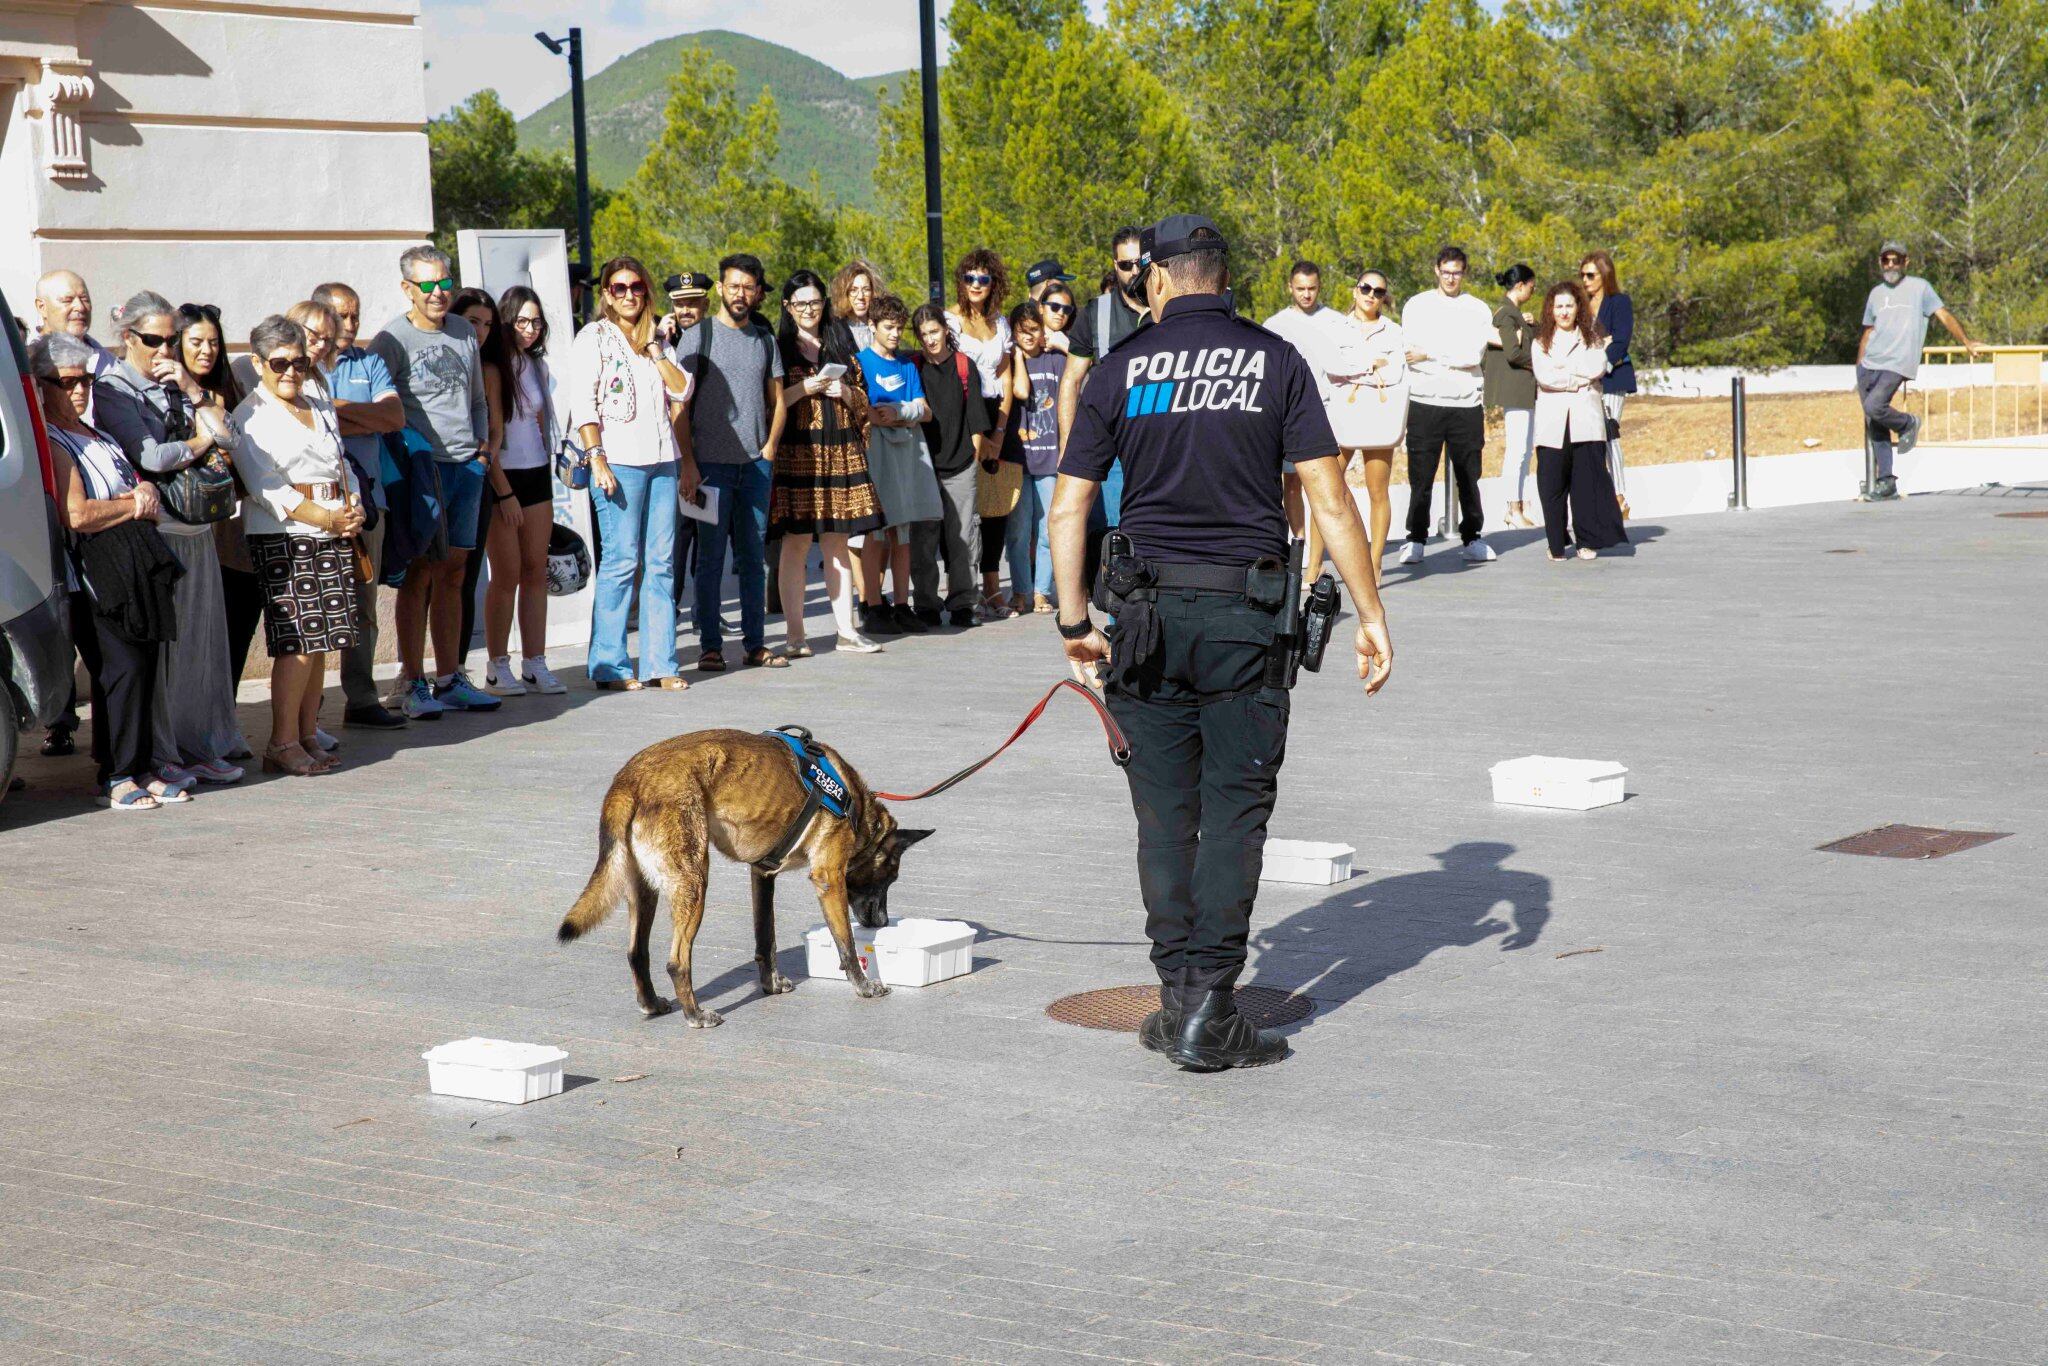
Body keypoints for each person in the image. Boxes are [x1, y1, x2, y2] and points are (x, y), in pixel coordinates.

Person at [1049, 213, 1392, 1071]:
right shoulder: (1277, 360)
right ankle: (1208, 1006)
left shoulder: (1122, 367)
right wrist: (1372, 611)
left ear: (1159, 280)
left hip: (1145, 624)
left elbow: (1068, 506)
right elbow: (1329, 496)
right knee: (1235, 814)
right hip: (1246, 621)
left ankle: (1180, 998)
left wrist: (1070, 620)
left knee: (1165, 817)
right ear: (1223, 277)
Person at [93, 291, 242, 798]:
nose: (162, 349)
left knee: (202, 650)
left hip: (198, 530)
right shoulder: (114, 387)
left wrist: (193, 392)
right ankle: (162, 755)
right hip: (157, 535)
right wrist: (198, 444)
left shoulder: (176, 378)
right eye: (151, 339)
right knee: (165, 657)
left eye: (169, 339)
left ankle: (200, 745)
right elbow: (153, 457)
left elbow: (231, 439)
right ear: (127, 337)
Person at [31, 333, 185, 810]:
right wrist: (131, 504)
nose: (78, 391)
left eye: (85, 381)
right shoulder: (54, 441)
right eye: (66, 382)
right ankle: (117, 776)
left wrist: (139, 501)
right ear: (41, 387)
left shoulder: (99, 435)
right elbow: (76, 514)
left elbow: (146, 494)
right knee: (120, 668)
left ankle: (140, 767)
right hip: (94, 571)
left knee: (143, 666)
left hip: (133, 565)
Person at [227, 316, 367, 776]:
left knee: (324, 639)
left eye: (299, 362)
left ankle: (307, 733)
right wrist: (325, 516)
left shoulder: (319, 403)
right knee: (298, 643)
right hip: (284, 537)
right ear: (259, 363)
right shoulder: (250, 415)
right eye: (280, 362)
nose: (290, 371)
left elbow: (340, 462)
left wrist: (353, 508)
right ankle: (281, 742)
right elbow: (266, 487)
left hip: (333, 529)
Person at [367, 245, 501, 718]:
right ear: (408, 288)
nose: (439, 291)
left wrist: (483, 451)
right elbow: (381, 407)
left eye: (444, 281)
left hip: (467, 467)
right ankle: (412, 680)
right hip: (421, 472)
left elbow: (478, 400)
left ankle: (450, 678)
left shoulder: (464, 331)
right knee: (419, 573)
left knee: (456, 573)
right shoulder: (390, 340)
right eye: (428, 284)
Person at [573, 255, 694, 690]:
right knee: (622, 561)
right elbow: (583, 402)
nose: (628, 295)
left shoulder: (658, 337)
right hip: (619, 461)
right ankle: (609, 663)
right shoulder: (594, 337)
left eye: (636, 287)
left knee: (660, 564)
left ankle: (661, 664)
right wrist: (597, 457)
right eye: (618, 288)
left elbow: (682, 389)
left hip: (664, 459)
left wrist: (657, 351)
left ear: (647, 292)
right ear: (606, 294)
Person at [675, 253, 786, 672]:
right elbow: (678, 407)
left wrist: (771, 447)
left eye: (749, 287)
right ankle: (709, 646)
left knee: (753, 557)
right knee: (709, 559)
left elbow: (778, 401)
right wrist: (689, 462)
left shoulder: (764, 339)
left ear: (758, 292)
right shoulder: (698, 337)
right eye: (734, 285)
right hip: (710, 467)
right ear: (720, 288)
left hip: (755, 466)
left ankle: (756, 644)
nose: (741, 293)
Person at [769, 270, 884, 658]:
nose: (809, 309)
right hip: (797, 453)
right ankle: (796, 635)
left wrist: (845, 391)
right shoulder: (778, 346)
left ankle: (846, 631)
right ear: (787, 306)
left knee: (838, 540)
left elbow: (865, 401)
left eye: (815, 302)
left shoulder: (840, 340)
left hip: (839, 450)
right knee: (796, 543)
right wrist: (805, 388)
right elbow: (768, 403)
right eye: (800, 303)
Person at [310, 281, 407, 730]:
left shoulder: (369, 362)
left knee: (361, 604)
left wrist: (335, 412)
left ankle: (362, 697)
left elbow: (393, 418)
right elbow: (307, 419)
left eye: (355, 315)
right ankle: (304, 707)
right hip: (313, 505)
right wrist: (352, 415)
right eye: (341, 316)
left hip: (367, 502)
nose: (350, 325)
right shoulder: (303, 364)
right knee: (313, 605)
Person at [481, 285, 565, 696]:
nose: (530, 329)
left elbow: (542, 426)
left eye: (537, 321)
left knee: (536, 569)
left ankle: (536, 661)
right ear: (506, 321)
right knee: (507, 573)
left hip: (537, 476)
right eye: (522, 321)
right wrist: (503, 492)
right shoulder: (492, 369)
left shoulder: (537, 366)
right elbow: (491, 437)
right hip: (503, 479)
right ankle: (498, 665)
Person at [178, 303, 261, 714]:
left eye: (214, 342)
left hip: (232, 532)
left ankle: (222, 721)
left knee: (235, 628)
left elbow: (236, 447)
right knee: (192, 637)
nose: (207, 350)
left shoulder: (232, 390)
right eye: (196, 342)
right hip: (186, 529)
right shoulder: (164, 393)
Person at [1856, 240, 1986, 502]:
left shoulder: (1920, 288)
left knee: (1874, 407)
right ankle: (1886, 482)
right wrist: (1858, 365)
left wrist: (1966, 341)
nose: (1890, 265)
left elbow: (1943, 315)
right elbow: (1869, 331)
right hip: (1869, 364)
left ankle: (1908, 423)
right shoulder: (1876, 293)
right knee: (1876, 423)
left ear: (1906, 262)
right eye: (1885, 260)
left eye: (1896, 260)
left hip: (1896, 363)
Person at [1399, 246, 1498, 565]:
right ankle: (1415, 538)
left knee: (1469, 476)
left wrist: (1431, 354)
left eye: (1457, 272)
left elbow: (1472, 356)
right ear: (1436, 271)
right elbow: (1410, 354)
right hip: (1425, 403)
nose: (1451, 277)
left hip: (1466, 405)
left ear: (1464, 273)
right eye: (1446, 272)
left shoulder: (1478, 309)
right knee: (1421, 478)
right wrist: (1446, 356)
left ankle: (1472, 538)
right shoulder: (1417, 306)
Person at [854, 293, 939, 638]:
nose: (894, 334)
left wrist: (901, 414)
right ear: (872, 326)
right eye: (888, 327)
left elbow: (925, 409)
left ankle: (902, 605)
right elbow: (864, 411)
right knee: (876, 532)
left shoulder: (907, 365)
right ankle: (873, 604)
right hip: (877, 453)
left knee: (902, 532)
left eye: (899, 328)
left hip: (908, 454)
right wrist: (891, 416)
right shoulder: (859, 363)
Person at [1056, 226, 1152, 531]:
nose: (1134, 270)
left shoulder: (1172, 311)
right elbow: (1071, 382)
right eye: (1126, 265)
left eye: (1141, 262)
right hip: (1110, 452)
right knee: (1110, 538)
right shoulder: (1095, 314)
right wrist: (1069, 449)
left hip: (1160, 446)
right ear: (1114, 266)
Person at [1530, 281, 1628, 561]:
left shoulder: (1593, 337)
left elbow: (1597, 367)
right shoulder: (1540, 342)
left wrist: (1565, 373)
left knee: (1585, 486)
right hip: (1553, 424)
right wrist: (1578, 379)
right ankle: (1557, 542)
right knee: (1552, 486)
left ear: (1578, 308)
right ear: (1551, 309)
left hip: (1586, 421)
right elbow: (1545, 377)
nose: (1563, 312)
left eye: (1569, 306)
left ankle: (1587, 540)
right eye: (1558, 306)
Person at [1323, 269, 1407, 583]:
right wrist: (1370, 364)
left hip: (1379, 414)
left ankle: (1374, 564)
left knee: (1377, 491)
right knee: (1328, 488)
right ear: (1355, 290)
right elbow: (1332, 367)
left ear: (1385, 297)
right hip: (1344, 413)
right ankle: (1317, 563)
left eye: (1379, 291)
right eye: (1366, 288)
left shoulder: (1394, 331)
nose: (1371, 295)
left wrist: (1355, 370)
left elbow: (1397, 371)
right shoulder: (1336, 328)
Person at [911, 302, 991, 628]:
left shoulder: (963, 366)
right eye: (924, 334)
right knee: (923, 540)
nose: (930, 339)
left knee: (963, 537)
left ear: (945, 330)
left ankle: (962, 603)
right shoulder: (912, 366)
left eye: (934, 331)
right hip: (923, 467)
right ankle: (926, 604)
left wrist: (972, 457)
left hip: (960, 463)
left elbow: (976, 420)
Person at [1262, 260, 1343, 575]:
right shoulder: (1275, 324)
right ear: (1290, 288)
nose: (1307, 294)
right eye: (1300, 289)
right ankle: (1297, 548)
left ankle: (1314, 564)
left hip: (1330, 414)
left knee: (1322, 488)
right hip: (1289, 416)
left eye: (1312, 288)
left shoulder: (1336, 322)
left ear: (1319, 287)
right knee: (1291, 485)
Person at [946, 250, 1015, 619]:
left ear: (993, 284)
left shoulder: (1000, 323)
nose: (975, 285)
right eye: (969, 278)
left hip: (995, 415)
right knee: (964, 510)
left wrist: (1000, 430)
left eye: (983, 279)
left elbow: (1006, 374)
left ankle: (991, 589)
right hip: (959, 416)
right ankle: (962, 591)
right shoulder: (949, 322)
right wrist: (977, 434)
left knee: (995, 507)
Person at [1012, 292, 1067, 613]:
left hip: (1049, 458)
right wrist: (1018, 358)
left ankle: (1041, 591)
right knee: (1019, 532)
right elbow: (1019, 391)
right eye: (1022, 331)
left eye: (1033, 329)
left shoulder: (1055, 361)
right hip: (1019, 460)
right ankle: (1019, 590)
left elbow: (1068, 401)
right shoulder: (1011, 362)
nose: (1028, 336)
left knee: (1048, 530)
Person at [1576, 251, 1635, 518]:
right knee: (1591, 439)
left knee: (1609, 433)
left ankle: (1619, 497)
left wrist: (1602, 359)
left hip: (1612, 377)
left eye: (1591, 275)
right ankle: (1600, 498)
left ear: (1605, 275)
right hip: (1584, 379)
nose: (1585, 280)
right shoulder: (1580, 305)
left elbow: (1621, 341)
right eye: (1582, 275)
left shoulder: (1619, 302)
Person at [1486, 265, 1539, 529]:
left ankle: (1519, 506)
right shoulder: (1506, 314)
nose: (1534, 291)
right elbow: (1513, 353)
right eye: (1532, 286)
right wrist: (1541, 364)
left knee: (1525, 450)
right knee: (1517, 451)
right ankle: (1512, 508)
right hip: (1516, 391)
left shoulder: (1515, 314)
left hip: (1525, 391)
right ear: (1521, 286)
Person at [30, 270, 118, 380]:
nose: (80, 307)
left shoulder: (112, 366)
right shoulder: (22, 361)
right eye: (67, 300)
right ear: (42, 307)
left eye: (84, 299)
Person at [830, 259, 886, 353]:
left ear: (873, 292)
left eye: (866, 289)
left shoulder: (883, 325)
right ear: (844, 294)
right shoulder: (834, 330)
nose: (860, 296)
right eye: (853, 290)